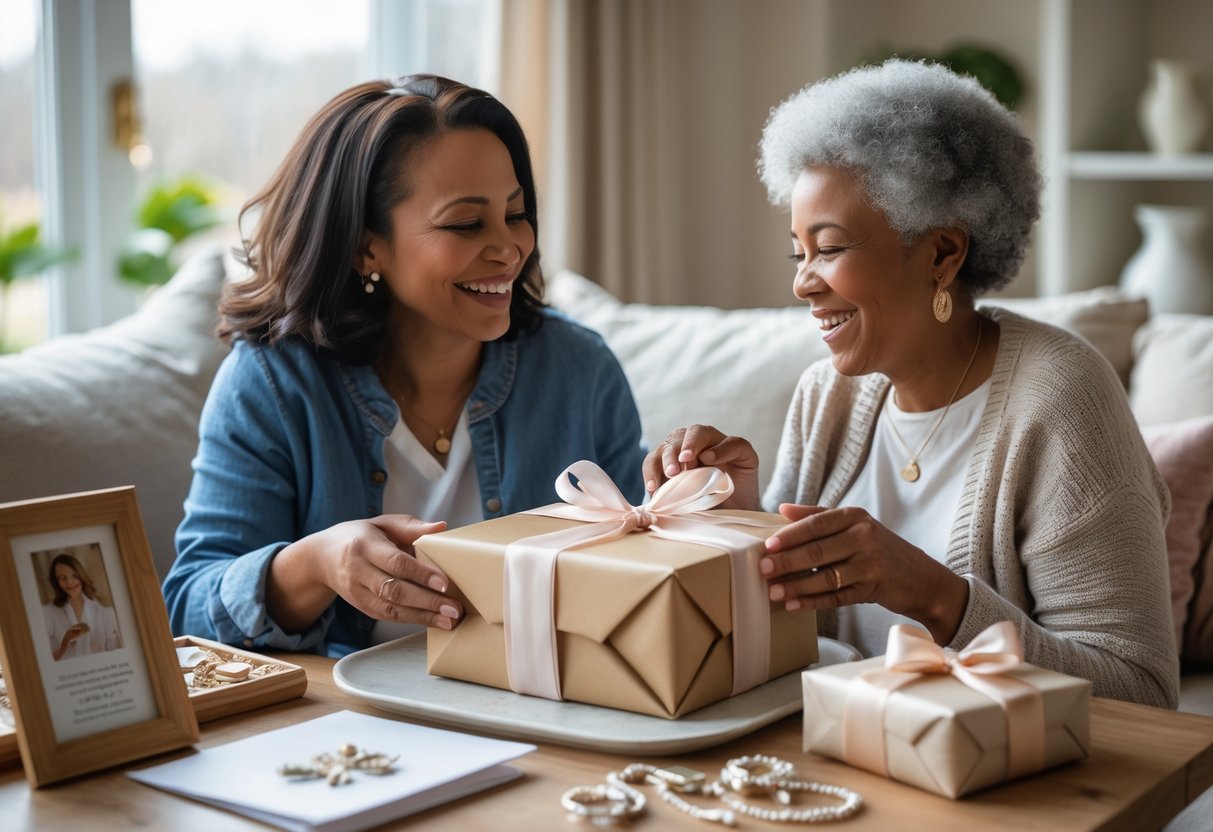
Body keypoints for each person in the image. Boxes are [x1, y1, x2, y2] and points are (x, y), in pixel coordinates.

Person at [644, 59, 1178, 709]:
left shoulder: (1061, 396)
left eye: (830, 248)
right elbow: (784, 643)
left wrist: (933, 595)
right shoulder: (825, 397)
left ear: (941, 254)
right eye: (798, 252)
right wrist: (733, 521)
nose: (802, 282)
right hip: (835, 762)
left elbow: (1141, 696)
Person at [163, 75, 645, 658]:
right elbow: (189, 608)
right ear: (368, 246)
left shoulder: (579, 370)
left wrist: (703, 499)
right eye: (466, 223)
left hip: (541, 715)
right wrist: (318, 564)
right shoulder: (271, 383)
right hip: (348, 733)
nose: (509, 247)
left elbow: (644, 559)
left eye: (515, 214)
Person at [44, 553, 122, 661]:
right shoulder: (48, 612)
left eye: (74, 575)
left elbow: (116, 655)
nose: (69, 582)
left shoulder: (105, 613)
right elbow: (44, 661)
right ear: (56, 582)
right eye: (62, 578)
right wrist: (64, 645)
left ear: (81, 575)